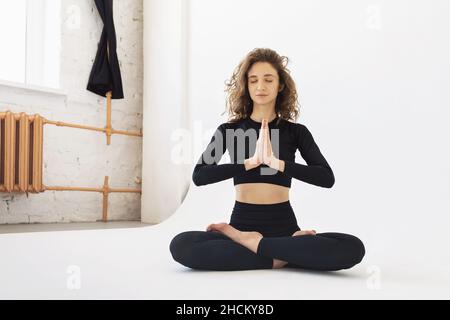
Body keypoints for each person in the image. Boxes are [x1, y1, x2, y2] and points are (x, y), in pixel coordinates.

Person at [170, 48, 365, 271]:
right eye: (253, 80)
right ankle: (281, 255)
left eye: (268, 80)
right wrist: (248, 163)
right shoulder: (229, 130)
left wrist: (277, 163)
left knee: (352, 248)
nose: (260, 87)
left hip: (284, 226)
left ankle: (255, 245)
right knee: (182, 245)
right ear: (247, 85)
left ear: (280, 85)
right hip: (242, 224)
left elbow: (326, 177)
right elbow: (200, 176)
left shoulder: (295, 132)